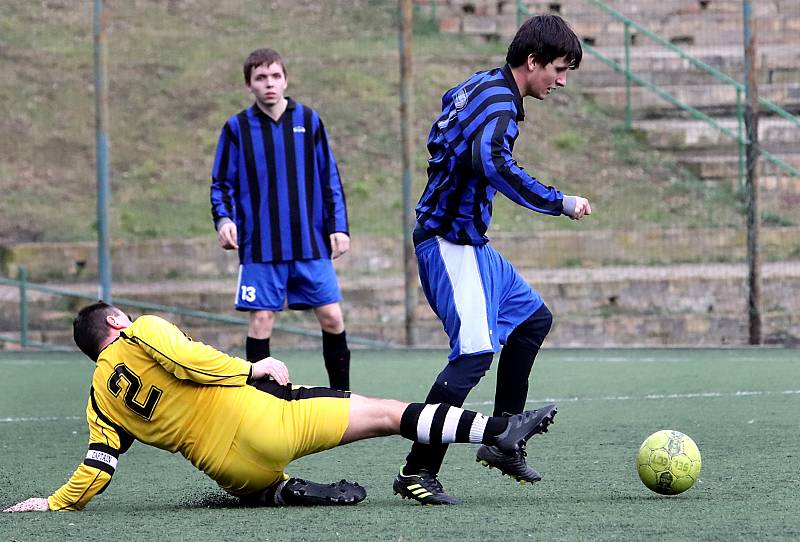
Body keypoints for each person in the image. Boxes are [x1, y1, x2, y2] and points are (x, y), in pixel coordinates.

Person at [3, 302, 558, 512]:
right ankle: (496, 430)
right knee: (390, 413)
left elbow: (99, 464)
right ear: (116, 322)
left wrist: (53, 503)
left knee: (247, 481)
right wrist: (253, 367)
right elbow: (191, 360)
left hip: (229, 470)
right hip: (262, 421)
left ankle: (281, 491)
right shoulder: (141, 331)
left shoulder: (100, 396)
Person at [392, 14, 592, 505]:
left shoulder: (482, 85)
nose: (561, 81)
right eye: (559, 69)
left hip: (472, 243)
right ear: (533, 61)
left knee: (531, 321)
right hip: (447, 243)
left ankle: (505, 440)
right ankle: (417, 472)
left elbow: (448, 110)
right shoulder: (500, 103)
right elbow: (492, 161)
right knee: (475, 353)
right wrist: (559, 201)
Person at [210, 48, 351, 390]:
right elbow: (222, 183)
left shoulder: (310, 120)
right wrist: (224, 220)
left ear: (285, 80)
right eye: (260, 78)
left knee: (332, 317)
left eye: (275, 76)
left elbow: (329, 176)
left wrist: (339, 226)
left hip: (310, 242)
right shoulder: (236, 128)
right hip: (261, 246)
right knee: (261, 320)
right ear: (249, 85)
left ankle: (341, 397)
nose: (269, 83)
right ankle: (262, 402)